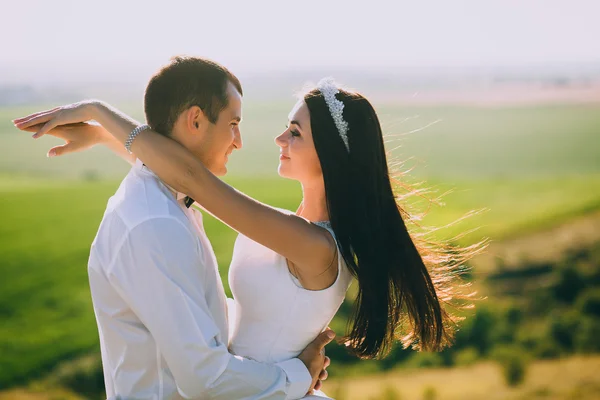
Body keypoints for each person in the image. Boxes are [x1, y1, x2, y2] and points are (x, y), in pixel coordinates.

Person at [14, 56, 477, 399]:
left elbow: (191, 179)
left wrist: (99, 113)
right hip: (256, 386)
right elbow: (181, 182)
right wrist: (101, 135)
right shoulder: (294, 228)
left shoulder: (315, 245)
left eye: (295, 133)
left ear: (330, 159)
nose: (277, 139)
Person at [15, 57, 334, 400]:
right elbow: (206, 379)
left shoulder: (166, 203)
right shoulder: (156, 225)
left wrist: (100, 128)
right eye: (233, 123)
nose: (239, 141)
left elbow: (199, 310)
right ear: (195, 120)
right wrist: (297, 374)